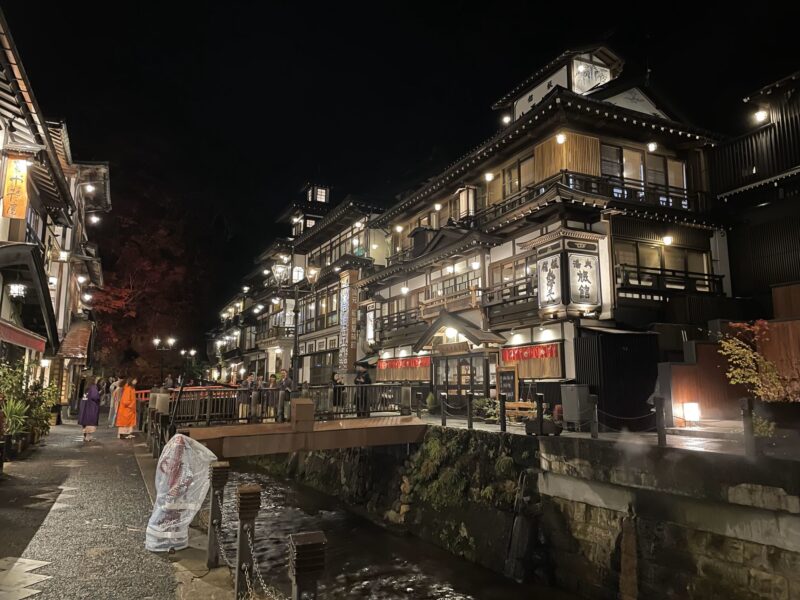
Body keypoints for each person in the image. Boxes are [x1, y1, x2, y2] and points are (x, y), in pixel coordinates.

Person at [78, 377, 101, 442]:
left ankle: (85, 436)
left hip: (85, 406)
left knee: (85, 422)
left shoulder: (86, 388)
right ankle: (88, 437)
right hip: (91, 407)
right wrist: (99, 394)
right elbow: (95, 397)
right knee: (90, 422)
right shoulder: (93, 387)